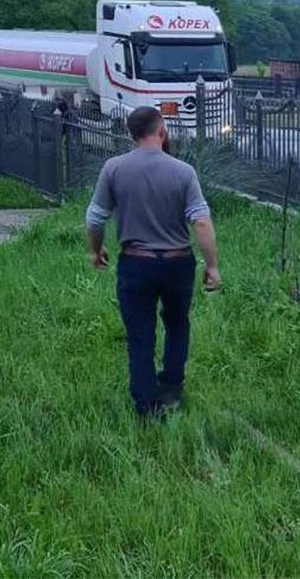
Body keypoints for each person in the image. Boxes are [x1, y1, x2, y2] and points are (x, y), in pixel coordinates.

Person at [85, 106, 220, 419]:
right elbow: (200, 222)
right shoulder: (184, 171)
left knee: (140, 334)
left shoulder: (114, 168)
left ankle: (146, 406)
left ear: (132, 135)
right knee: (176, 324)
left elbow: (95, 216)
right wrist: (211, 266)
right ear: (161, 130)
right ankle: (171, 388)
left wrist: (96, 249)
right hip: (177, 263)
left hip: (136, 263)